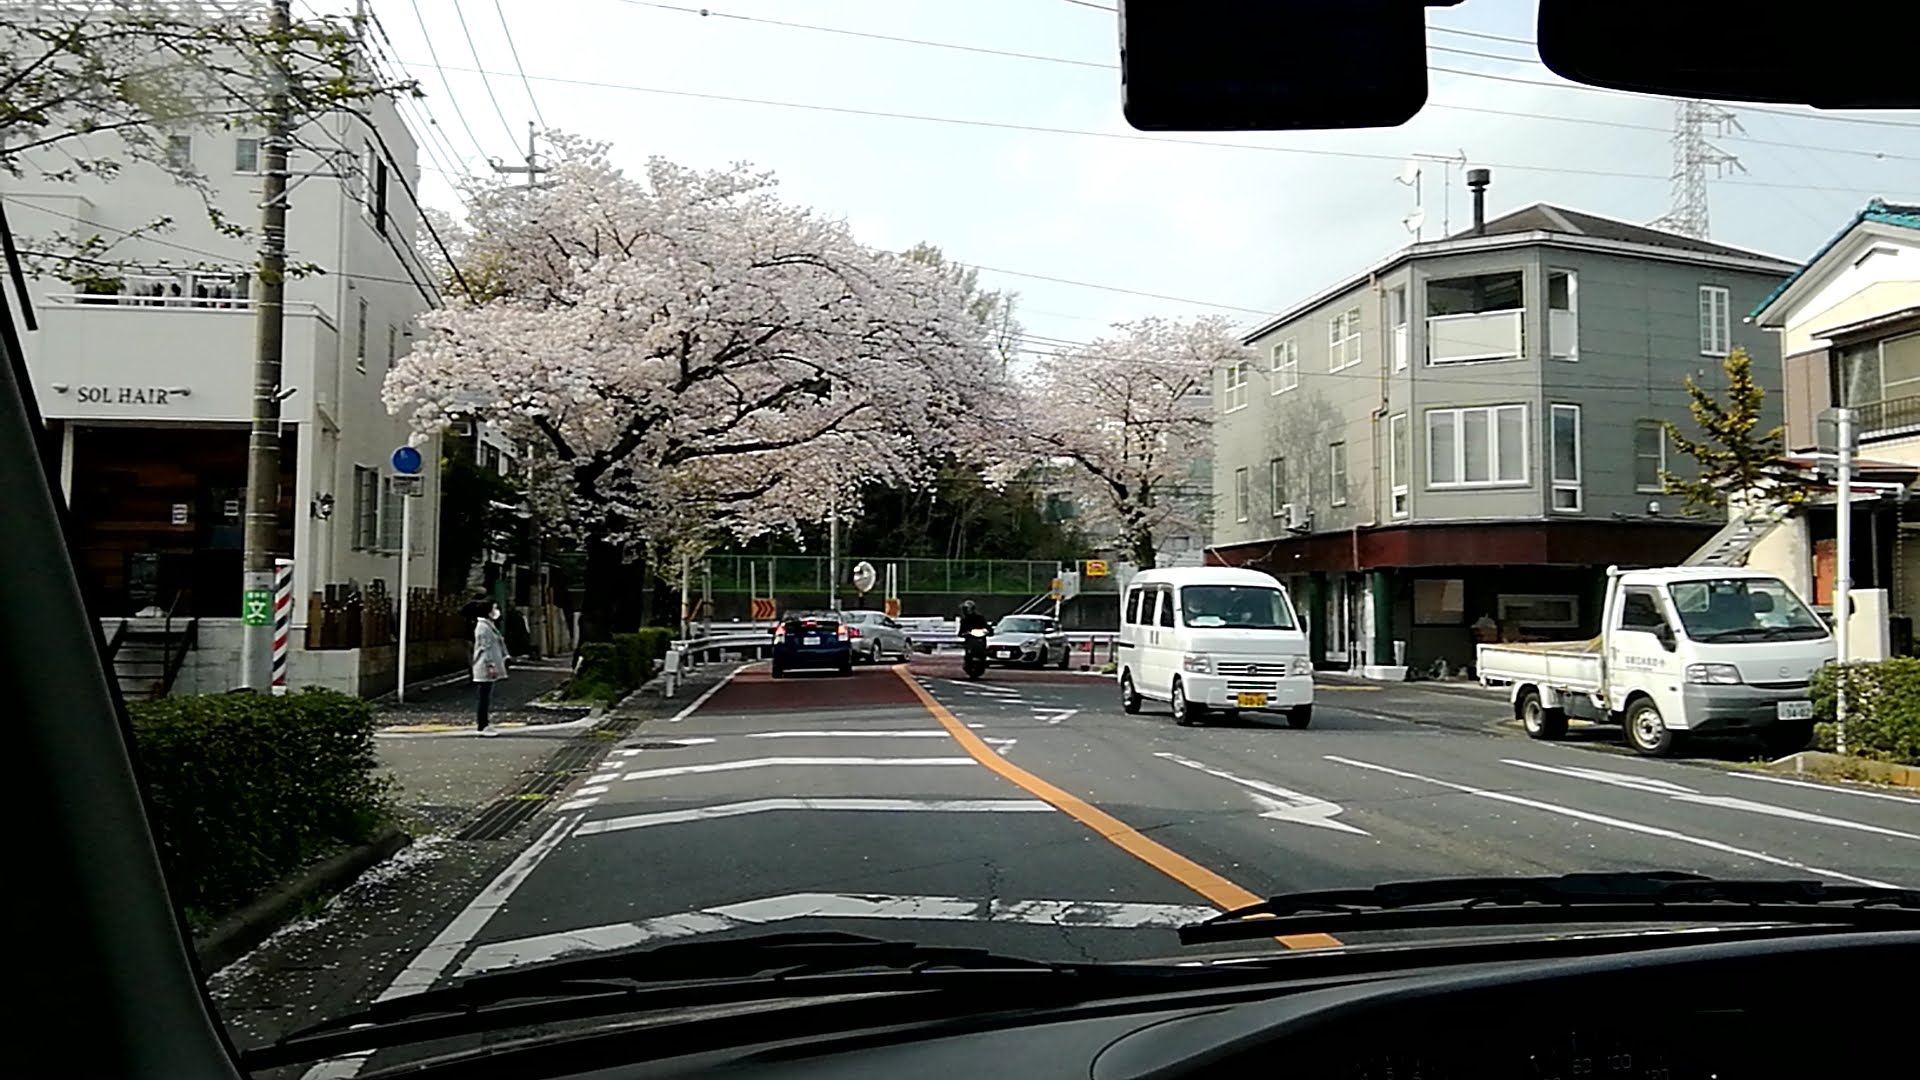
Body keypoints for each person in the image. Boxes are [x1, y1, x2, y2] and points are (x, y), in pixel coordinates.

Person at [467, 596, 509, 736]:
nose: (496, 611)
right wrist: (491, 666)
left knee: (486, 696)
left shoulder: (488, 625)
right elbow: (485, 648)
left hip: (487, 666)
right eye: (494, 608)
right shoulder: (483, 627)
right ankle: (482, 725)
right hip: (484, 667)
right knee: (483, 697)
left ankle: (484, 724)